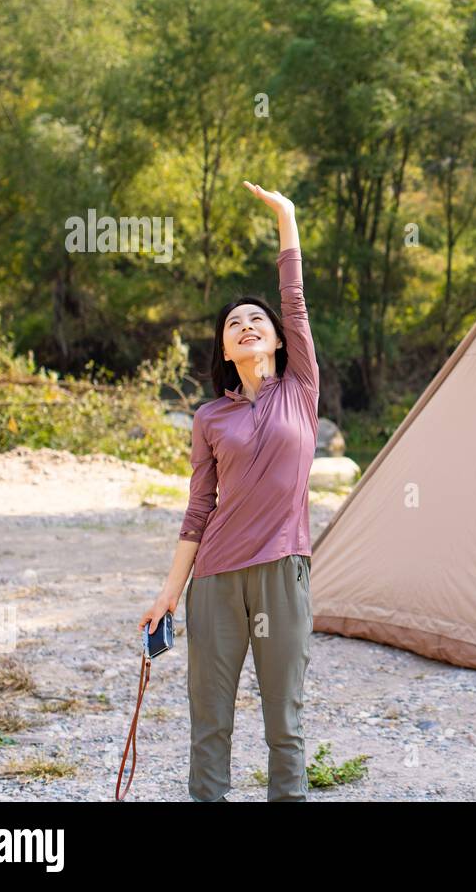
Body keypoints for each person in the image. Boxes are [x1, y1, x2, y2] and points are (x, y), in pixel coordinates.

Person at [139, 181, 319, 802]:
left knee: (284, 726)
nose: (246, 326)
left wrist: (287, 218)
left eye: (256, 321)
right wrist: (168, 593)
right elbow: (197, 510)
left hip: (282, 573)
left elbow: (293, 299)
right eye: (234, 323)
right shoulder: (211, 417)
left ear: (275, 338)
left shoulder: (301, 388)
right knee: (209, 724)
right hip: (214, 581)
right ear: (223, 347)